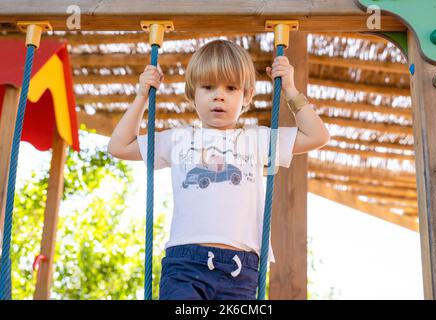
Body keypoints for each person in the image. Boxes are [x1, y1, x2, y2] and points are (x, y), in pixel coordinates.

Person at [107, 39, 330, 300]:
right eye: (208, 86)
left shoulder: (256, 139)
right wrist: (142, 96)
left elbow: (317, 135)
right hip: (186, 265)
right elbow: (119, 146)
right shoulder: (178, 139)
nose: (219, 95)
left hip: (240, 267)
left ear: (246, 96)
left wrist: (290, 90)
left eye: (231, 88)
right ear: (192, 93)